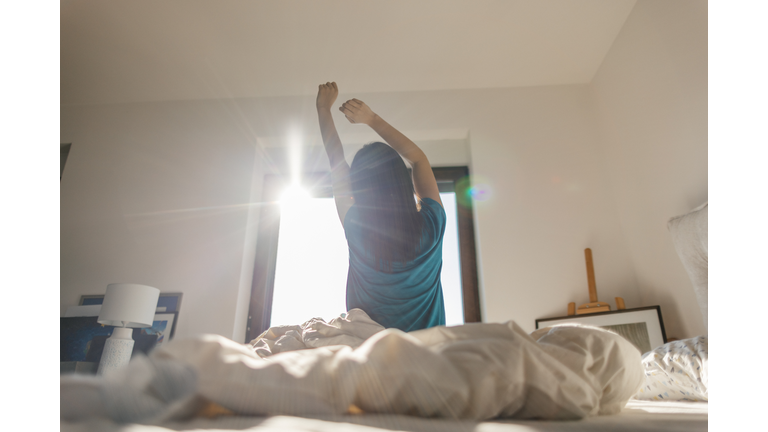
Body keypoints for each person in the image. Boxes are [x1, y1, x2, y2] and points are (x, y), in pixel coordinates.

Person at [315, 82, 446, 332]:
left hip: (370, 357)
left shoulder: (356, 228)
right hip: (427, 355)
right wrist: (371, 119)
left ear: (359, 191)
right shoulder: (433, 225)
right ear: (402, 182)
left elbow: (336, 161)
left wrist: (323, 108)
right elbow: (418, 159)